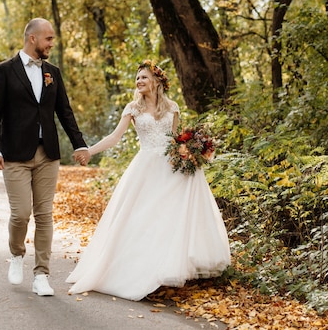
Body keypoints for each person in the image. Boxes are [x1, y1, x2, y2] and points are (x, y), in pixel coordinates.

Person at [65, 60, 230, 301]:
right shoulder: (133, 109)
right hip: (145, 169)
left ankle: (168, 269)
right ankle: (139, 269)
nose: (139, 82)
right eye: (137, 79)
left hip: (171, 168)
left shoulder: (172, 108)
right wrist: (90, 151)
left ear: (156, 81)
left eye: (143, 77)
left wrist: (193, 151)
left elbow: (176, 140)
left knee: (170, 218)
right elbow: (114, 137)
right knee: (143, 218)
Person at [0, 18, 90, 296]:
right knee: (20, 214)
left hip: (48, 154)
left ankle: (42, 274)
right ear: (32, 38)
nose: (51, 44)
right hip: (15, 155)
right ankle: (17, 254)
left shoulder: (52, 72)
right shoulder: (4, 71)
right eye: (48, 39)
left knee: (44, 214)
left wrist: (79, 145)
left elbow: (64, 112)